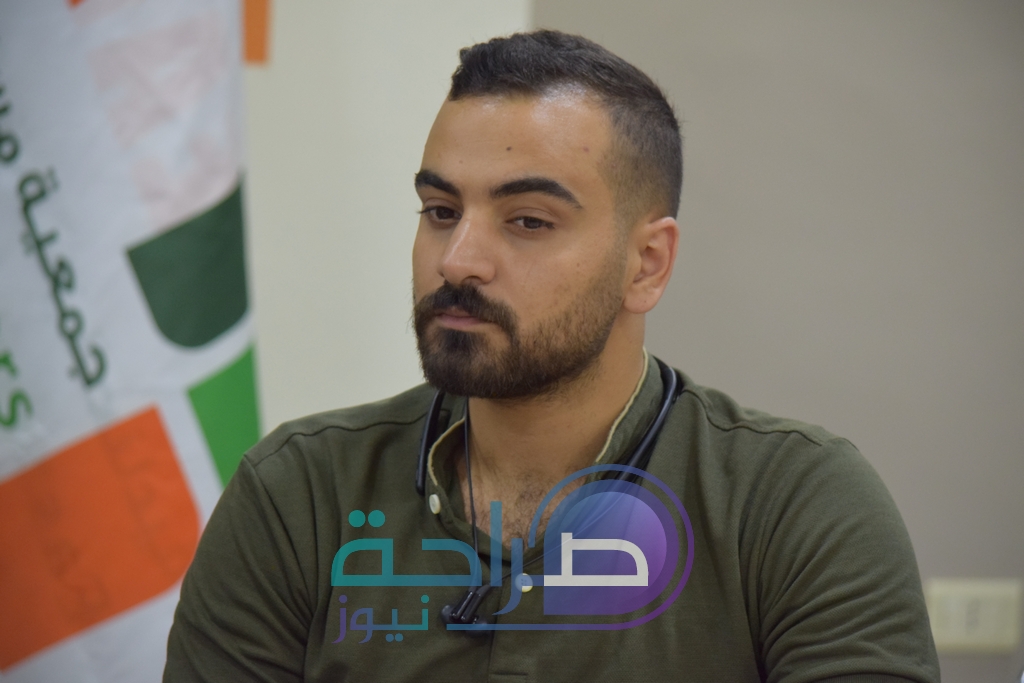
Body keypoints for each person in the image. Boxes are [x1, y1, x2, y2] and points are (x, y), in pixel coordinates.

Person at [164, 30, 939, 682]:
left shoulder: (794, 504)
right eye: (441, 210)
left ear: (647, 264)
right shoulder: (300, 495)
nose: (458, 260)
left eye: (528, 220)